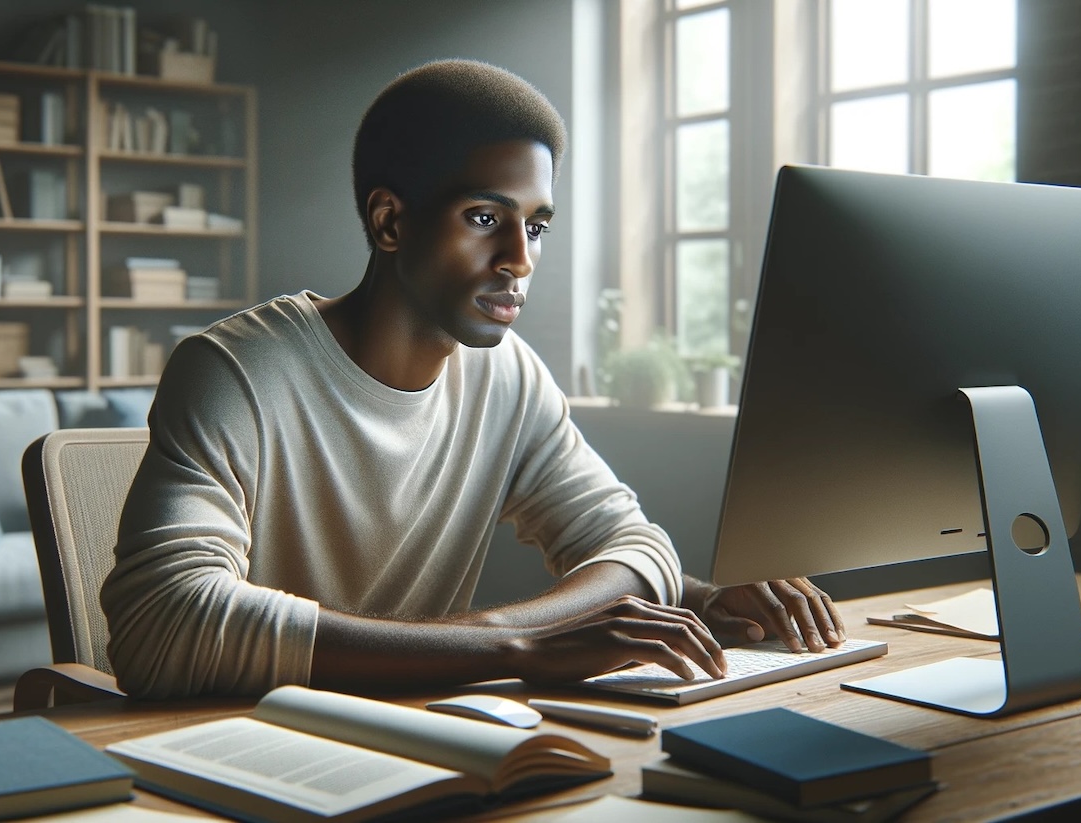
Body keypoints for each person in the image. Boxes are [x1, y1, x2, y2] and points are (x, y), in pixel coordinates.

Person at [100, 58, 844, 700]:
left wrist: (703, 602)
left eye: (538, 225)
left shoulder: (507, 375)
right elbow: (164, 623)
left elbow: (637, 549)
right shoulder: (234, 371)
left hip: (426, 731)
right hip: (247, 750)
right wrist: (507, 647)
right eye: (487, 217)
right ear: (391, 222)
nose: (521, 257)